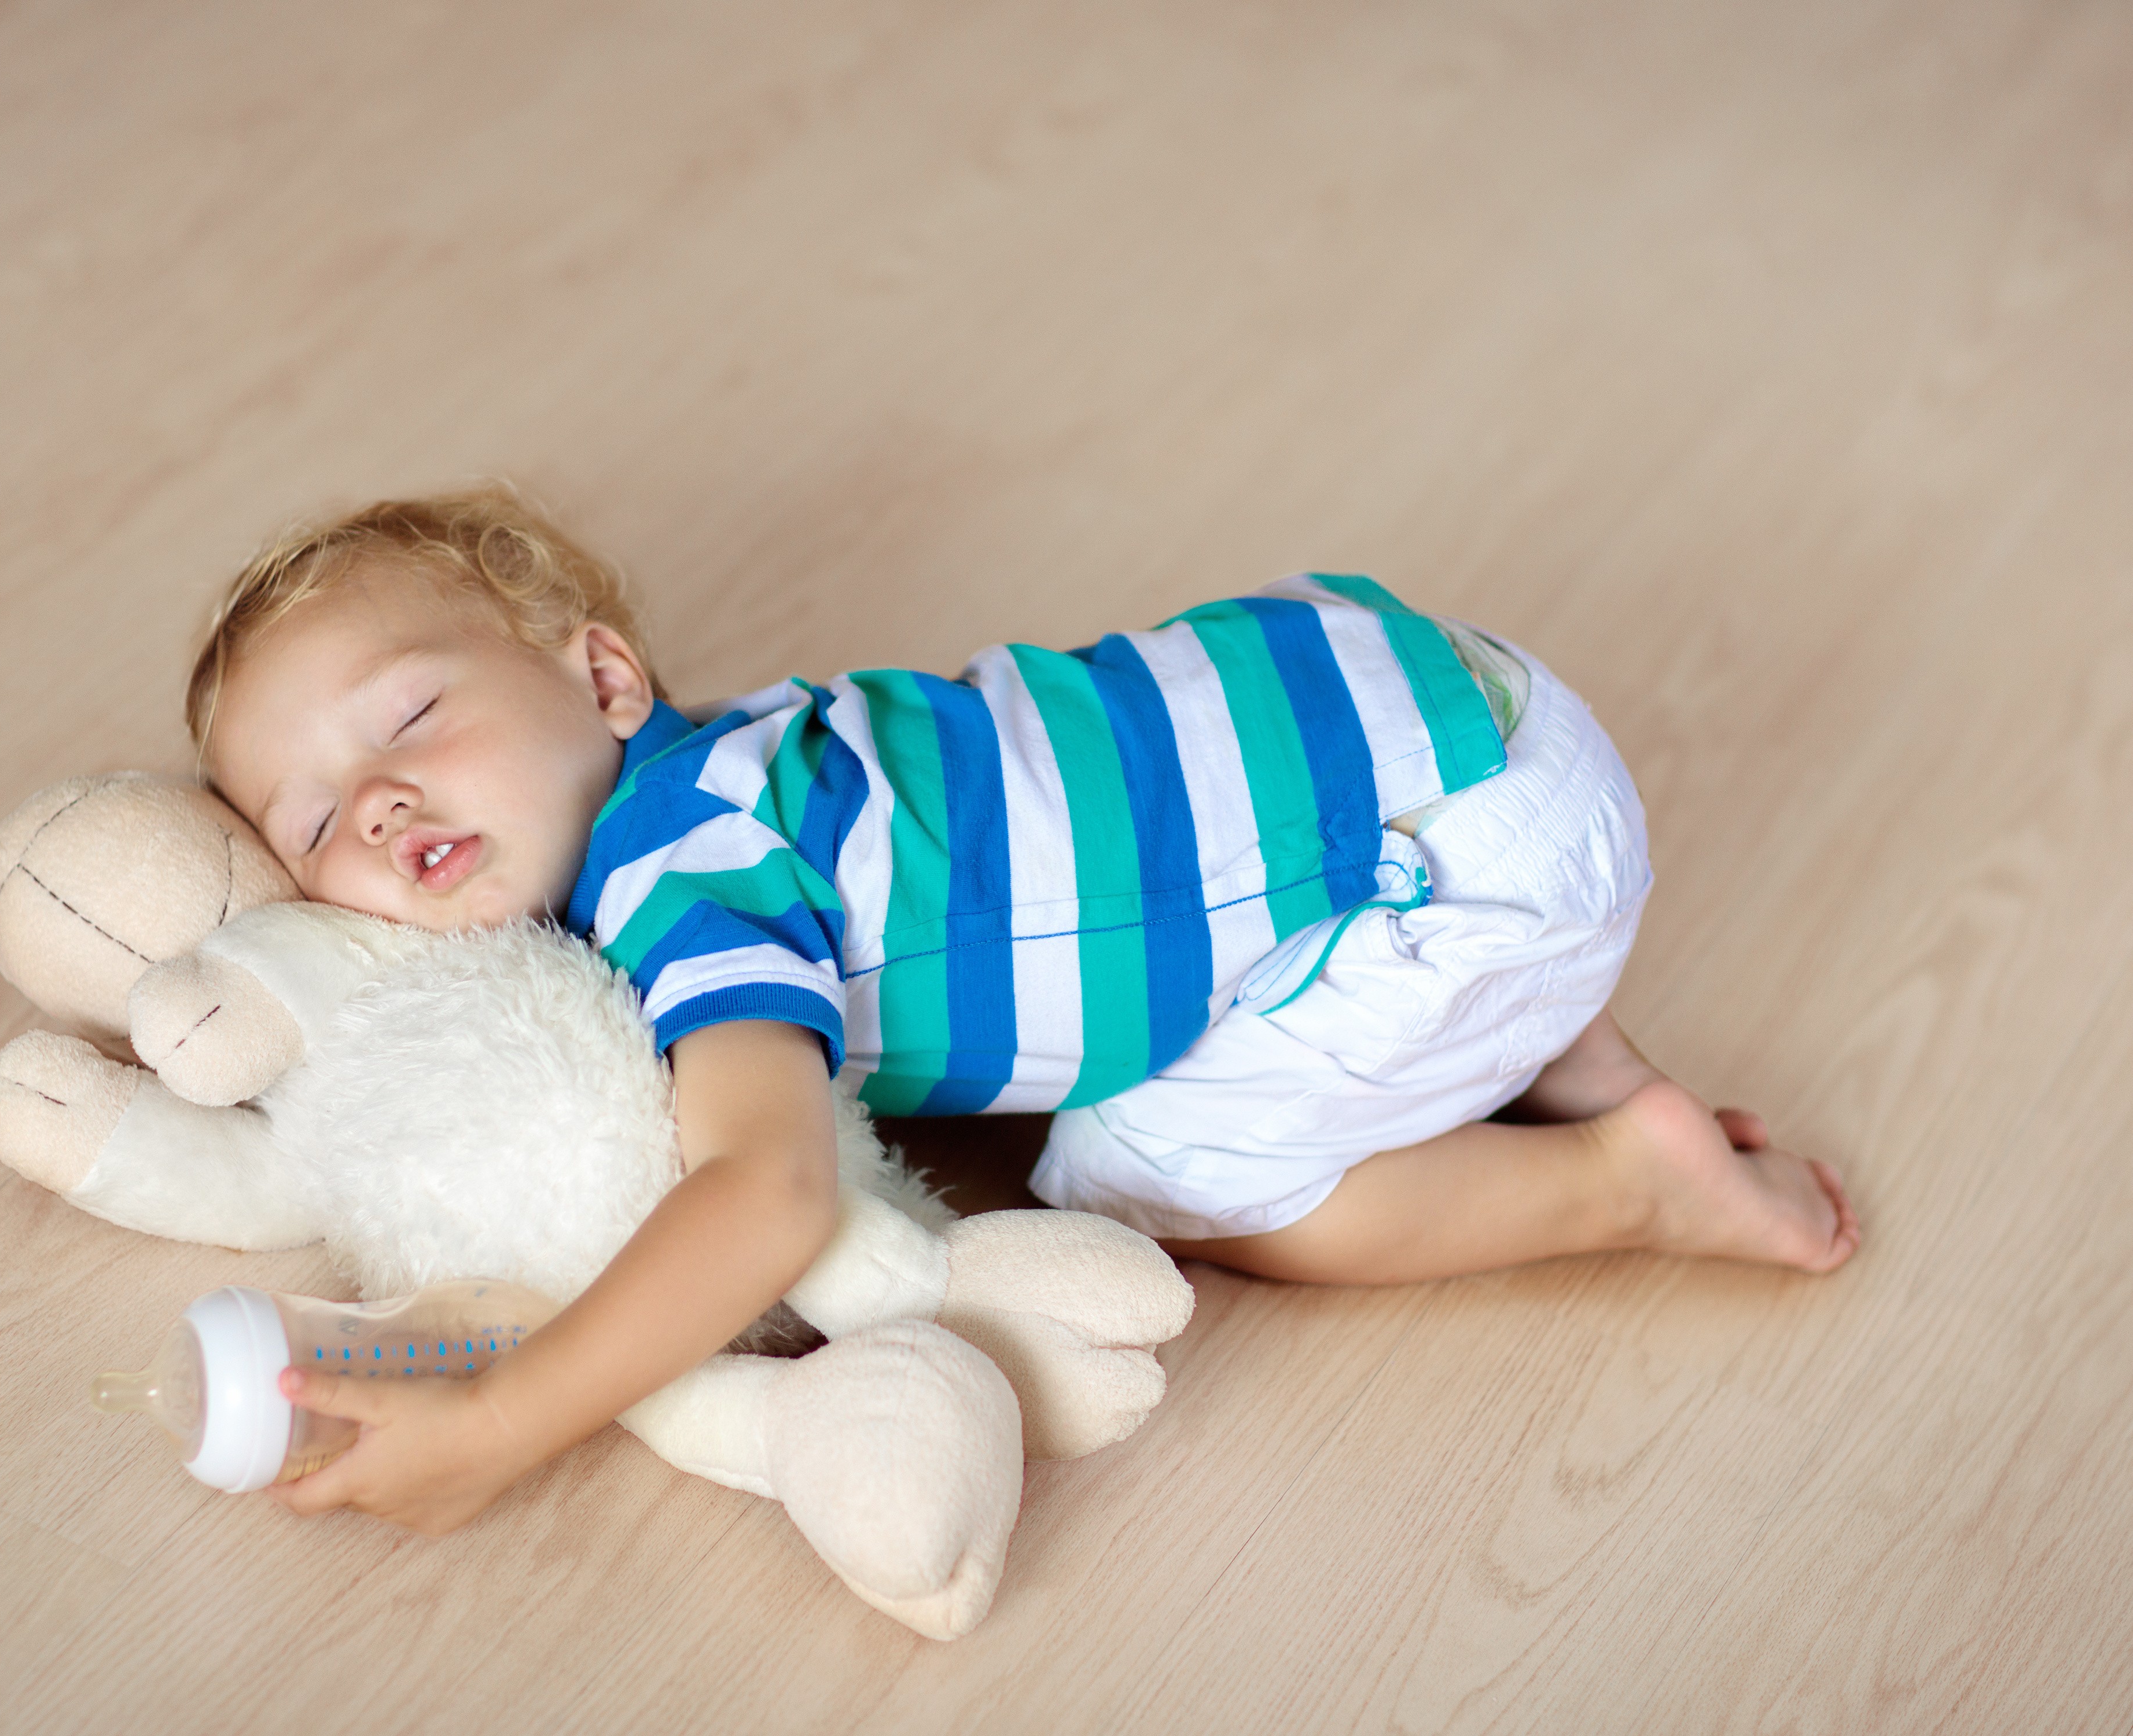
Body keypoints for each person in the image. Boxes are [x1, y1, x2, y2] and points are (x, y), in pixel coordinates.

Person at [187, 484, 1859, 1534]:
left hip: (1465, 852)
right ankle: (1553, 1039)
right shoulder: (758, 751)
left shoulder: (680, 879)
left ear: (603, 680)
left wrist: (501, 1412)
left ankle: (1625, 1172)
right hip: (1418, 687)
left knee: (1148, 1171)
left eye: (408, 717)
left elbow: (760, 1193)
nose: (384, 805)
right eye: (317, 823)